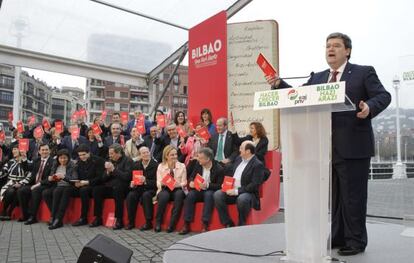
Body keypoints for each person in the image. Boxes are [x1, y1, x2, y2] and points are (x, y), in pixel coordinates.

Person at [266, 32, 391, 256]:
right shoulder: (318, 78)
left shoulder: (363, 72)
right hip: (324, 148)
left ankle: (356, 240)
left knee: (353, 197)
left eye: (335, 46)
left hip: (354, 147)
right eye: (327, 46)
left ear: (348, 51)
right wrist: (278, 84)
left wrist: (368, 108)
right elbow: (298, 96)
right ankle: (338, 235)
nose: (330, 49)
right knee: (334, 198)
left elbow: (384, 96)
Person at [214, 141, 265, 227]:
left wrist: (237, 191)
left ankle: (241, 223)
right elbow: (232, 175)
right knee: (217, 194)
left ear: (248, 151)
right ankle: (227, 222)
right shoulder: (238, 159)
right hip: (232, 189)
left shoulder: (257, 165)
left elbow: (254, 185)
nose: (239, 150)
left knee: (242, 199)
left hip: (248, 193)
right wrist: (226, 185)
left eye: (241, 148)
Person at [179, 148, 224, 234]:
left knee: (208, 195)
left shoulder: (219, 169)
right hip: (198, 190)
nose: (198, 159)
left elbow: (219, 186)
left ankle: (205, 223)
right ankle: (186, 223)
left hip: (210, 190)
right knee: (190, 195)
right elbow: (192, 176)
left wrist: (207, 185)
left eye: (200, 158)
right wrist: (191, 182)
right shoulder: (198, 164)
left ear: (207, 159)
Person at [91, 144, 133, 229]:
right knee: (97, 190)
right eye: (109, 153)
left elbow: (127, 177)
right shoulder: (109, 160)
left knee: (118, 190)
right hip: (110, 187)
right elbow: (103, 179)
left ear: (119, 153)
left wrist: (114, 170)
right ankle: (98, 217)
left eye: (112, 153)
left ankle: (119, 219)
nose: (110, 155)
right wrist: (107, 172)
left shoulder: (128, 161)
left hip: (122, 187)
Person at [17, 143, 54, 224]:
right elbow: (27, 168)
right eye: (43, 150)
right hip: (34, 183)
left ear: (49, 151)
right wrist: (24, 158)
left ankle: (33, 217)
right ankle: (25, 215)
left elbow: (51, 177)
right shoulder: (36, 160)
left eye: (46, 150)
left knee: (36, 190)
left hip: (46, 184)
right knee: (21, 191)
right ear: (39, 151)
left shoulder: (53, 162)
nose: (45, 151)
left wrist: (39, 184)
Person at [42, 149, 78, 230]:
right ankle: (55, 216)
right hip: (57, 185)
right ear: (58, 158)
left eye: (65, 158)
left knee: (58, 191)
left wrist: (64, 177)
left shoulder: (73, 165)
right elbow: (51, 175)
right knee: (45, 193)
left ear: (68, 158)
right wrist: (52, 178)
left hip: (69, 186)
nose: (62, 160)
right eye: (60, 158)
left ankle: (57, 219)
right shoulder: (55, 164)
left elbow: (74, 179)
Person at [154, 145, 187, 233]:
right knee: (163, 196)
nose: (175, 157)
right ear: (166, 156)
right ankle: (158, 222)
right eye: (172, 155)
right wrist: (162, 183)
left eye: (176, 154)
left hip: (177, 189)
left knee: (179, 195)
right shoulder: (161, 166)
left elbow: (184, 182)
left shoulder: (182, 166)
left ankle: (172, 224)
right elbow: (158, 181)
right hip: (165, 188)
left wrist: (178, 184)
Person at [71, 144, 105, 227]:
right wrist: (77, 182)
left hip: (98, 184)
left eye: (84, 154)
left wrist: (87, 182)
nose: (82, 157)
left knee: (95, 191)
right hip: (85, 184)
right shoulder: (79, 162)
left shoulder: (98, 160)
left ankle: (98, 218)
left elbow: (100, 177)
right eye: (80, 155)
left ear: (89, 153)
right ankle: (83, 218)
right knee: (78, 190)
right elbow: (78, 175)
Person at [125, 146, 158, 230]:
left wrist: (146, 181)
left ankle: (148, 222)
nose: (146, 154)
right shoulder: (136, 165)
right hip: (139, 188)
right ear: (140, 155)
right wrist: (132, 184)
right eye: (143, 153)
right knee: (130, 195)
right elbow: (132, 179)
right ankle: (131, 222)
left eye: (147, 152)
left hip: (151, 189)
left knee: (146, 195)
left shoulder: (156, 165)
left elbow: (157, 182)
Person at [0, 146, 31, 221]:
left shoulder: (28, 162)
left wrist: (21, 183)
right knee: (11, 191)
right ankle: (4, 210)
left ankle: (9, 212)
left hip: (22, 183)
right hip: (10, 183)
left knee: (18, 192)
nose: (13, 151)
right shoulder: (10, 162)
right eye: (13, 149)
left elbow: (29, 175)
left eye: (15, 149)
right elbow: (4, 171)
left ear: (21, 150)